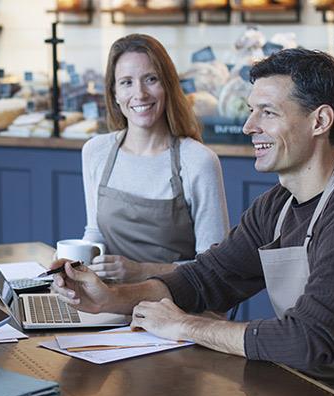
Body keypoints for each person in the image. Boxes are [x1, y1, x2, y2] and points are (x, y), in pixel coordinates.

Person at [53, 48, 334, 396]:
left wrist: (187, 325)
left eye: (267, 113)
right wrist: (111, 299)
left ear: (320, 121)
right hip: (313, 381)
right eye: (252, 111)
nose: (250, 126)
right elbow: (205, 278)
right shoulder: (277, 205)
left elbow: (305, 341)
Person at [79, 34, 229, 283]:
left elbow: (214, 268)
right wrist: (74, 263)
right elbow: (95, 234)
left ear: (167, 86)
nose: (140, 93)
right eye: (126, 82)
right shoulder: (96, 151)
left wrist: (141, 272)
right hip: (112, 302)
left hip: (179, 309)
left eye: (151, 79)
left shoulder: (198, 161)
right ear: (114, 93)